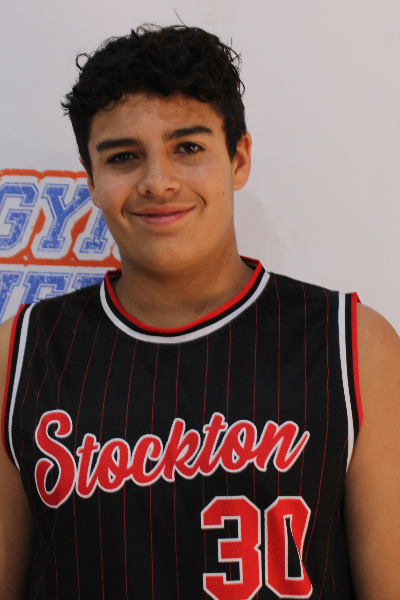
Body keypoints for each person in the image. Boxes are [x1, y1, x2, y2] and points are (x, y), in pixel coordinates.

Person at [0, 24, 399, 600]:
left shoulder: (353, 345)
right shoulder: (20, 353)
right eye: (123, 156)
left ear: (238, 159)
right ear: (91, 179)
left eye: (187, 148)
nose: (157, 182)